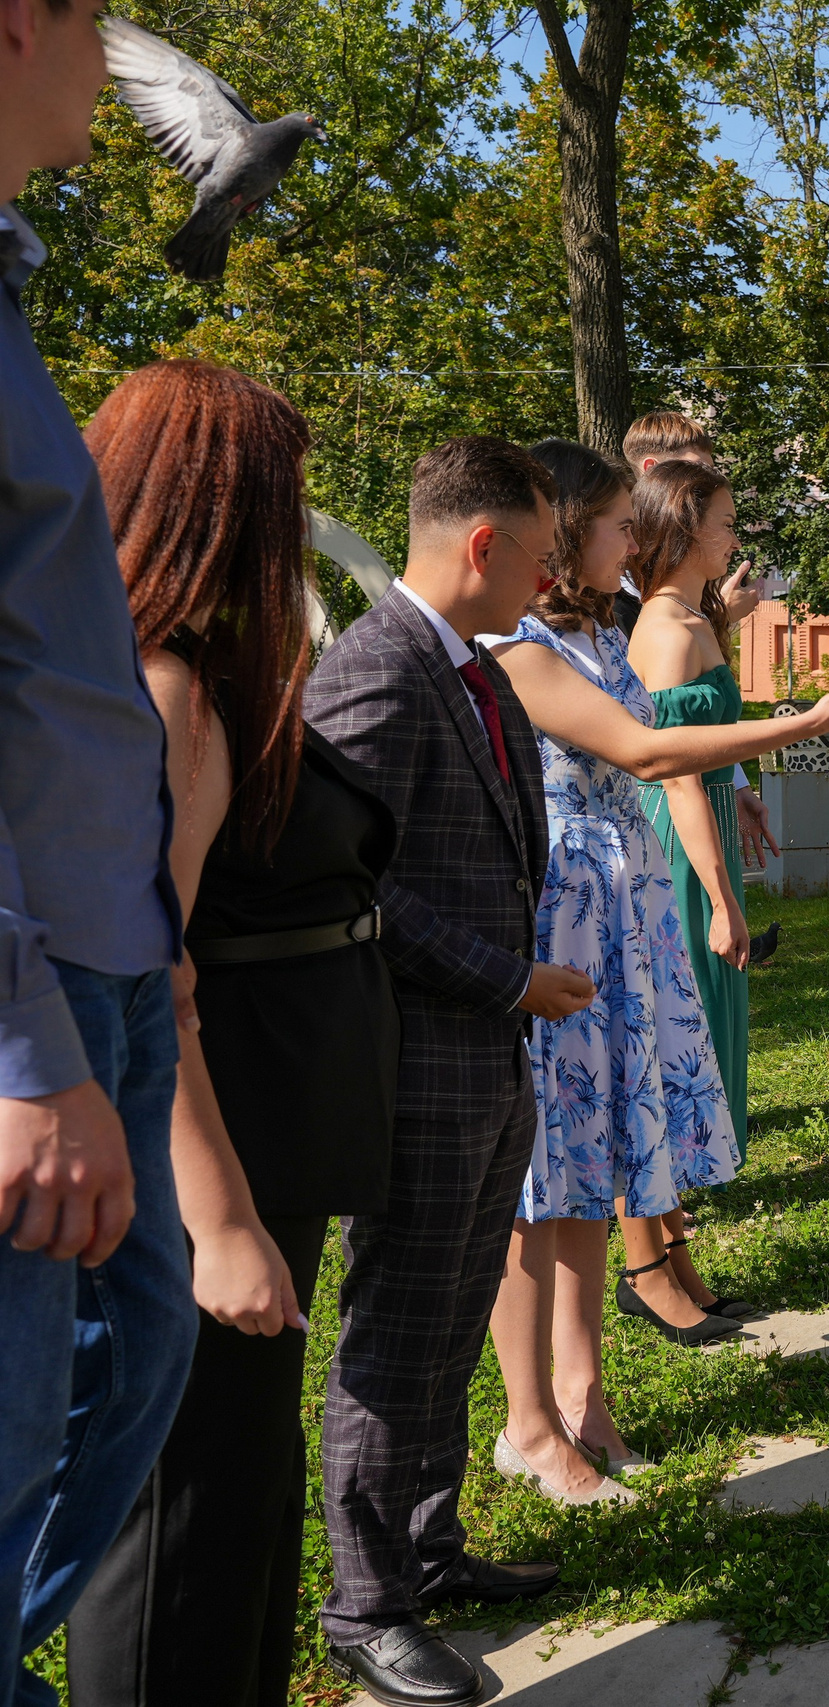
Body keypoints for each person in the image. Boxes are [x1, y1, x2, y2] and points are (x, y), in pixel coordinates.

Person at [58, 363, 399, 1705]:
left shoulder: (162, 672)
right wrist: (222, 1221)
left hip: (246, 1146)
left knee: (245, 1504)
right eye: (282, 497)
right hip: (194, 1172)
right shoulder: (159, 691)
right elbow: (154, 973)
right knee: (181, 1522)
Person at [485, 445, 829, 1504]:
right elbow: (651, 753)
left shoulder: (599, 631)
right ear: (566, 533)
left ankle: (585, 1401)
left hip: (622, 914)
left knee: (596, 1164)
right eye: (618, 523)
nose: (636, 540)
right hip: (562, 917)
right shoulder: (520, 649)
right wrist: (811, 720)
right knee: (540, 1181)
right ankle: (525, 1424)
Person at [304, 436, 597, 1707]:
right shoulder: (375, 668)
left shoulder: (462, 663)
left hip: (487, 1057)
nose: (548, 580)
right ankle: (365, 1607)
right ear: (482, 546)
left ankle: (426, 1550)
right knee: (399, 1331)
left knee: (450, 1318)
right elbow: (348, 876)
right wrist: (506, 979)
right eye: (539, 557)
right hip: (422, 1052)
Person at [1, 11, 194, 1696]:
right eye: (96, 27)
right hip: (35, 997)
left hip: (108, 961)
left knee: (133, 1364)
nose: (119, 75)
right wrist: (21, 1049)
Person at [626, 460, 766, 1156]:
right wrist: (719, 896)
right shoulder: (671, 631)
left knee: (714, 993)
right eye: (728, 524)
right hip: (682, 841)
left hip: (707, 822)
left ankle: (704, 1158)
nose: (735, 540)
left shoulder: (692, 617)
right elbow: (677, 775)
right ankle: (683, 1166)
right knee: (692, 997)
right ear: (687, 529)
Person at [615, 410, 778, 870]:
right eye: (698, 474)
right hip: (672, 829)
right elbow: (670, 752)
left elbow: (698, 713)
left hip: (709, 808)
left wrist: (736, 786)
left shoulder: (686, 612)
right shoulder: (615, 602)